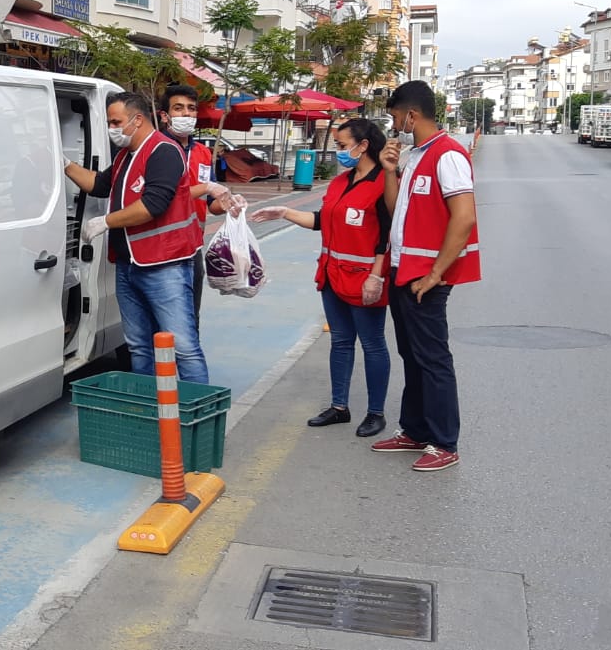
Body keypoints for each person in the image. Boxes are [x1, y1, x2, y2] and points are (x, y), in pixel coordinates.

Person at [64, 92, 231, 384]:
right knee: (139, 347)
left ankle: (194, 421)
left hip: (164, 266)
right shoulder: (125, 157)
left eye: (115, 122)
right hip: (129, 267)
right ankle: (149, 412)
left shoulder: (163, 152)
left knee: (184, 348)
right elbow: (98, 185)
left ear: (137, 120)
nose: (111, 128)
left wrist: (105, 221)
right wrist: (64, 163)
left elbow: (153, 205)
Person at [251, 119, 392, 438]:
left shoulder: (384, 183)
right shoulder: (341, 183)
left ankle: (376, 413)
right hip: (332, 275)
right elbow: (321, 221)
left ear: (363, 145)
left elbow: (387, 235)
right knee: (341, 341)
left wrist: (376, 276)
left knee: (372, 344)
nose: (339, 153)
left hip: (365, 278)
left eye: (342, 147)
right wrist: (285, 212)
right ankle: (339, 406)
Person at [374, 80, 480, 472]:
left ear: (411, 115)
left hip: (425, 277)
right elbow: (395, 209)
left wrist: (436, 274)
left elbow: (464, 217)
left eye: (395, 116)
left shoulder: (448, 155)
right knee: (412, 355)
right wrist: (388, 171)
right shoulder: (416, 155)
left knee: (433, 359)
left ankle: (443, 441)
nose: (394, 123)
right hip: (403, 271)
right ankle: (415, 430)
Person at [156, 85, 239, 323]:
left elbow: (212, 205)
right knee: (161, 321)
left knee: (191, 317)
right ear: (165, 115)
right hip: (159, 248)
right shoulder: (154, 149)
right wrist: (205, 188)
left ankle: (186, 360)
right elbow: (158, 196)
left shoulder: (203, 153)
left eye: (191, 109)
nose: (186, 114)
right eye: (179, 108)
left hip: (192, 248)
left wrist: (228, 202)